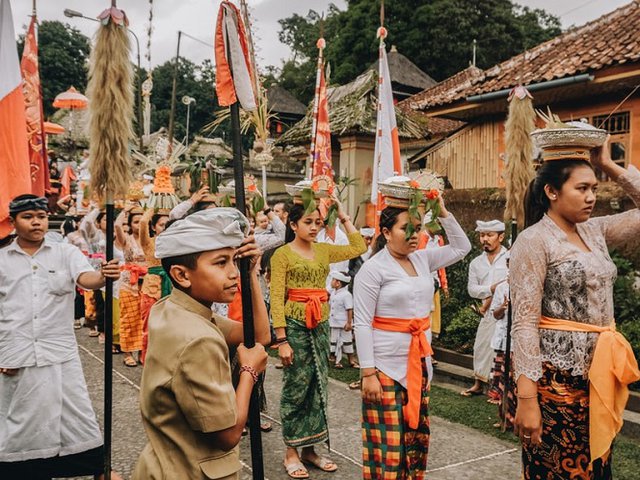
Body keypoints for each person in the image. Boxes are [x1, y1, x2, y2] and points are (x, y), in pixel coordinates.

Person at [511, 138, 640, 479]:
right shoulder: (533, 241)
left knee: (598, 467)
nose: (591, 197)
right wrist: (527, 400)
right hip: (556, 383)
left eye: (594, 187)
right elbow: (523, 323)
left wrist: (610, 166)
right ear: (552, 192)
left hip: (599, 375)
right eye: (581, 188)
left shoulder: (595, 230)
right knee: (559, 470)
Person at [132, 208, 270, 480]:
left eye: (234, 261)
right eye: (220, 263)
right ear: (182, 275)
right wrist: (249, 373)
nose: (233, 273)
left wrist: (250, 274)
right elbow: (228, 434)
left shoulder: (174, 308)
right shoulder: (198, 338)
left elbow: (259, 336)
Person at [0, 194, 122, 480]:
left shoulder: (65, 252)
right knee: (20, 421)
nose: (36, 222)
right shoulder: (2, 259)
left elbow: (86, 279)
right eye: (28, 217)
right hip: (15, 352)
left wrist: (104, 275)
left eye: (41, 216)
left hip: (60, 352)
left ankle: (96, 467)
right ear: (13, 221)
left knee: (76, 415)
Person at [354, 194, 471, 479]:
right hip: (385, 368)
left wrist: (442, 211)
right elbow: (362, 323)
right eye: (405, 228)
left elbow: (462, 247)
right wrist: (368, 372)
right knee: (389, 444)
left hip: (419, 363)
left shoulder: (422, 260)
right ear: (385, 232)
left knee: (416, 439)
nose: (414, 234)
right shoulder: (373, 269)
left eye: (417, 228)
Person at [270, 197, 366, 479]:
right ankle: (291, 451)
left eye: (318, 223)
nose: (314, 228)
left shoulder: (323, 250)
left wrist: (342, 213)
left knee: (318, 384)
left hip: (321, 323)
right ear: (293, 224)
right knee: (296, 386)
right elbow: (277, 297)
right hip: (295, 324)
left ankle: (310, 449)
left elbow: (359, 247)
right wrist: (281, 340)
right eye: (308, 222)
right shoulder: (282, 255)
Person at [461, 219, 508, 397]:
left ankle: (500, 389)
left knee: (503, 349)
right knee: (482, 346)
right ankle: (479, 383)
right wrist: (490, 289)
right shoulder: (476, 263)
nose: (485, 239)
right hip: (488, 313)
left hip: (507, 312)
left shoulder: (510, 257)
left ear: (501, 237)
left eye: (490, 235)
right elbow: (472, 290)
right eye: (482, 235)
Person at [115, 204, 147, 367]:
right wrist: (125, 211)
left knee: (145, 320)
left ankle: (143, 351)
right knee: (129, 320)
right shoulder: (126, 240)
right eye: (135, 222)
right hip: (129, 284)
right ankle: (127, 352)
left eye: (141, 221)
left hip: (147, 284)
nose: (139, 225)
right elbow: (116, 225)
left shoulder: (149, 239)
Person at [138, 209, 170, 365]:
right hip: (152, 288)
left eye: (167, 224)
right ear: (154, 227)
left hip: (171, 287)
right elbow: (143, 222)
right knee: (149, 327)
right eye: (161, 224)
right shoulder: (148, 241)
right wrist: (153, 207)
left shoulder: (174, 243)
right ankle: (147, 362)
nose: (164, 227)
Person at [328, 271, 357, 369]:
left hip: (344, 323)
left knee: (347, 341)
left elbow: (349, 309)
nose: (331, 282)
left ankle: (351, 360)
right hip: (334, 322)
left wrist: (349, 323)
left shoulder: (346, 294)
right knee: (335, 341)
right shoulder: (333, 293)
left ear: (338, 283)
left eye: (333, 280)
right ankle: (337, 360)